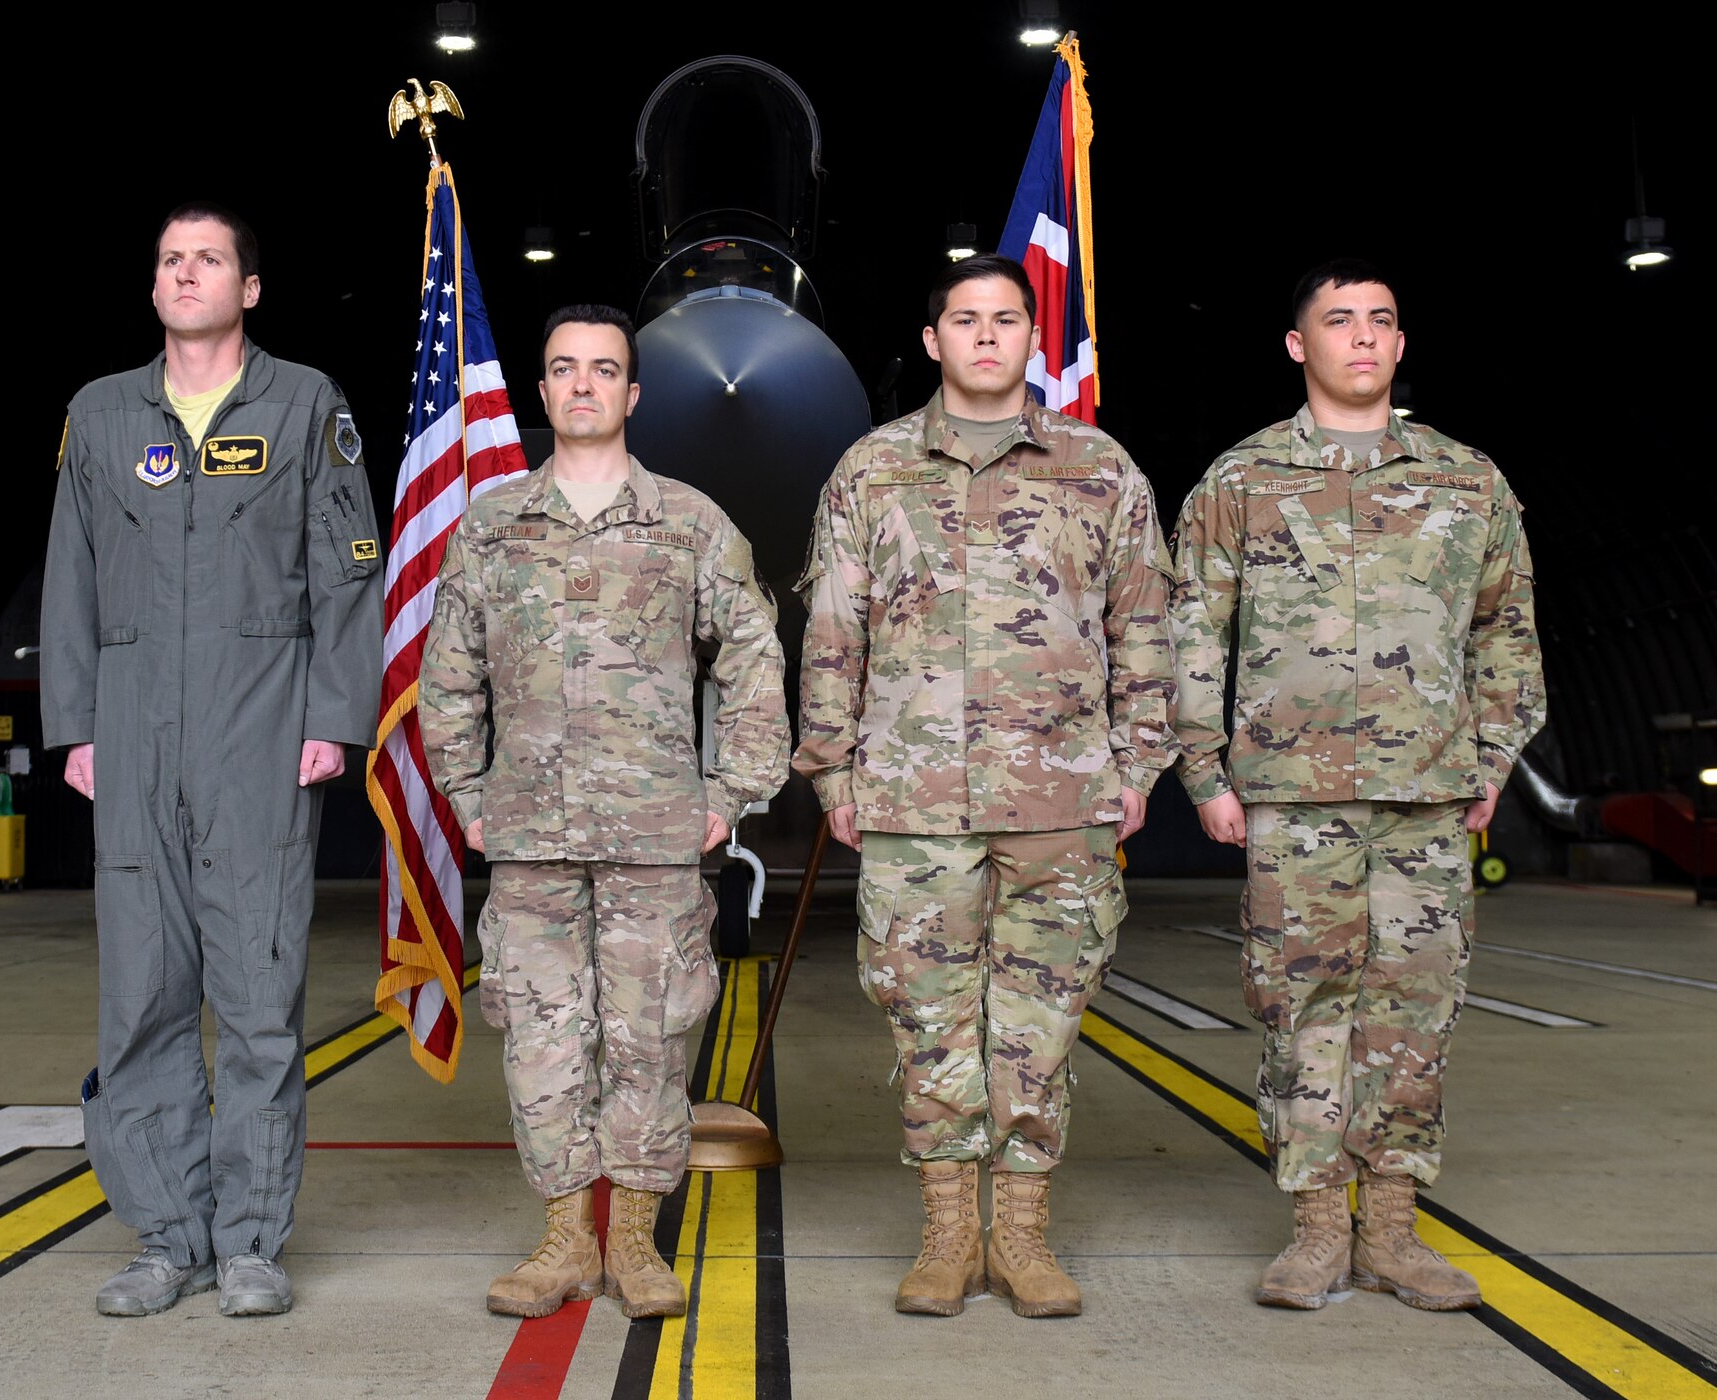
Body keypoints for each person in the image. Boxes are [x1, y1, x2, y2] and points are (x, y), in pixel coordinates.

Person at [793, 254, 1177, 1318]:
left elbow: (1144, 625)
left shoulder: (1099, 470)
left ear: (1029, 337)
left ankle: (1021, 1235)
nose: (984, 336)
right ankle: (947, 1233)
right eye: (964, 319)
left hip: (1061, 798)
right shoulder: (870, 470)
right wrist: (830, 771)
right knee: (925, 1018)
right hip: (914, 800)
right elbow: (833, 632)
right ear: (933, 341)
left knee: (1039, 1021)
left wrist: (1138, 760)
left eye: (1005, 319)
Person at [1170, 258, 1544, 1311]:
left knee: (1413, 1013)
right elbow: (1192, 630)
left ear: (1399, 342)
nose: (1362, 336)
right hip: (1290, 797)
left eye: (1379, 320)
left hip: (1426, 795)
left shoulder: (1465, 479)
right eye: (1337, 320)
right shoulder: (1240, 482)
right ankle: (1311, 1229)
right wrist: (1204, 769)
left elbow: (1504, 631)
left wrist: (1494, 754)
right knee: (1301, 1010)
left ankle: (1391, 1228)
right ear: (1299, 346)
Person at [41, 202, 382, 1318]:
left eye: (209, 259)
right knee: (139, 999)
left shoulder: (303, 403)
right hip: (133, 739)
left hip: (260, 735)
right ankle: (163, 1235)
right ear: (154, 290)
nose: (186, 274)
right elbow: (72, 576)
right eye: (169, 260)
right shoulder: (99, 415)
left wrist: (334, 712)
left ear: (249, 288)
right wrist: (78, 725)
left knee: (256, 1001)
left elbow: (345, 568)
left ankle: (247, 1240)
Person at [420, 304, 790, 1320]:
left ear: (632, 393)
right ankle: (559, 1240)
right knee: (541, 1036)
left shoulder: (688, 521)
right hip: (531, 836)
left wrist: (729, 792)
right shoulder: (491, 524)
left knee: (649, 1036)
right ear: (540, 392)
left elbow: (754, 653)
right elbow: (446, 673)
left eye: (603, 370)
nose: (581, 384)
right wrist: (463, 791)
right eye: (562, 369)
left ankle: (630, 1237)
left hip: (655, 838)